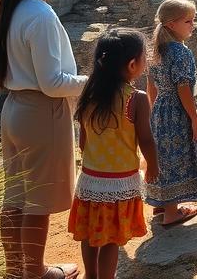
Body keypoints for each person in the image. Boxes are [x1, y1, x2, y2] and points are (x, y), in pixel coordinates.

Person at [0, 0, 86, 279]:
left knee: (14, 195)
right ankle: (36, 272)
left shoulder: (15, 8)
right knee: (38, 202)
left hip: (15, 108)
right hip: (43, 112)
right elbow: (53, 83)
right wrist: (94, 81)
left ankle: (16, 270)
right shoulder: (40, 15)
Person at [69, 30, 158, 279]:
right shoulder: (136, 99)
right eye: (145, 58)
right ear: (132, 64)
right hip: (119, 181)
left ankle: (90, 275)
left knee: (89, 233)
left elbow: (83, 138)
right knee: (111, 240)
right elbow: (146, 139)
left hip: (90, 179)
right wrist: (152, 166)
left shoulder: (89, 93)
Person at [145, 0, 197, 225]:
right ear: (172, 24)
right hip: (177, 111)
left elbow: (150, 87)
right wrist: (194, 119)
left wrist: (153, 112)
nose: (192, 25)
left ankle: (162, 205)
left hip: (160, 110)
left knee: (163, 158)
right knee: (177, 159)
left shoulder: (156, 50)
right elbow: (183, 87)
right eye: (188, 21)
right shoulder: (181, 53)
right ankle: (172, 213)